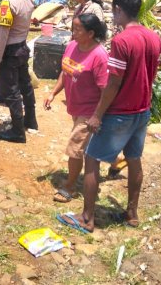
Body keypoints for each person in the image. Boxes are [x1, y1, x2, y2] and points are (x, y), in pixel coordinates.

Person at [62, 0, 161, 233]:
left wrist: (97, 114)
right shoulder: (153, 37)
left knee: (92, 159)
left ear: (118, 9)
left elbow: (114, 81)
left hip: (120, 112)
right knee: (134, 159)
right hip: (142, 111)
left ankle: (87, 217)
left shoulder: (121, 41)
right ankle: (132, 213)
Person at [44, 14, 108, 202]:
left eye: (78, 29)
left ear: (91, 33)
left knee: (75, 147)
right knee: (85, 146)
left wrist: (98, 116)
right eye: (73, 28)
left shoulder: (99, 56)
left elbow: (106, 90)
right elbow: (66, 71)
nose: (73, 32)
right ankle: (117, 159)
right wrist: (53, 93)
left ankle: (70, 187)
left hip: (90, 111)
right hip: (75, 106)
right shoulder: (72, 46)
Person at [0, 0, 37, 143]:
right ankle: (30, 120)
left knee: (11, 90)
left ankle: (17, 131)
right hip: (22, 47)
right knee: (25, 85)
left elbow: (2, 34)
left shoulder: (7, 3)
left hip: (10, 51)